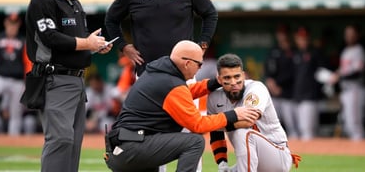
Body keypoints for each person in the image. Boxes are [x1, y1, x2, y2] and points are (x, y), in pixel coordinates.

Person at [104, 40, 260, 172]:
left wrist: (212, 83)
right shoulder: (171, 83)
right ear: (187, 63)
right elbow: (198, 125)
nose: (200, 68)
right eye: (199, 64)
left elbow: (183, 93)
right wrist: (233, 114)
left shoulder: (159, 72)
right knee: (195, 141)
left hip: (127, 145)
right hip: (131, 149)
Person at [25, 0, 112, 172]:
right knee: (60, 140)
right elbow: (50, 38)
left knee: (73, 143)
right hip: (55, 79)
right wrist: (86, 42)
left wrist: (94, 45)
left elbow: (77, 41)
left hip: (77, 81)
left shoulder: (73, 3)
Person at [207, 53, 301, 172]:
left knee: (242, 132)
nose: (233, 82)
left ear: (243, 75)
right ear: (219, 79)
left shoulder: (256, 88)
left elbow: (246, 122)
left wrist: (214, 125)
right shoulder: (214, 97)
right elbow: (216, 134)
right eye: (227, 78)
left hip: (277, 154)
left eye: (237, 77)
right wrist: (222, 163)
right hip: (251, 160)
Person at [0, 12, 32, 135]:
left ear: (18, 25)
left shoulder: (22, 41)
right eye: (10, 24)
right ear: (6, 23)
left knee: (16, 112)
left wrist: (27, 82)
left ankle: (13, 139)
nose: (12, 26)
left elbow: (27, 63)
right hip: (0, 78)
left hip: (17, 81)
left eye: (15, 24)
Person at [329, 24, 365, 141]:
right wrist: (335, 75)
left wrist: (340, 77)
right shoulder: (346, 50)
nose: (349, 37)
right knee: (347, 124)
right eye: (347, 34)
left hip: (355, 89)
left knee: (354, 123)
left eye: (352, 34)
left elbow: (357, 73)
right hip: (345, 90)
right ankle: (354, 150)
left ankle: (363, 149)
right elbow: (343, 70)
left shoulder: (359, 50)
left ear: (357, 35)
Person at [291, 26, 326, 140]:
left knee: (308, 130)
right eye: (301, 38)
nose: (303, 41)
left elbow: (323, 73)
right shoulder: (296, 54)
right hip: (297, 97)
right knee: (301, 130)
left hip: (310, 97)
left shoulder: (315, 52)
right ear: (296, 39)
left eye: (305, 38)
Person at [264, 25, 297, 138]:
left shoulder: (294, 51)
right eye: (280, 33)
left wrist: (281, 86)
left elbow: (295, 73)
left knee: (292, 126)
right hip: (274, 94)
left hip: (289, 94)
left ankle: (301, 149)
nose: (282, 36)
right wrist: (271, 83)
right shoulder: (274, 50)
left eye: (284, 33)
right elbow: (268, 70)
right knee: (272, 126)